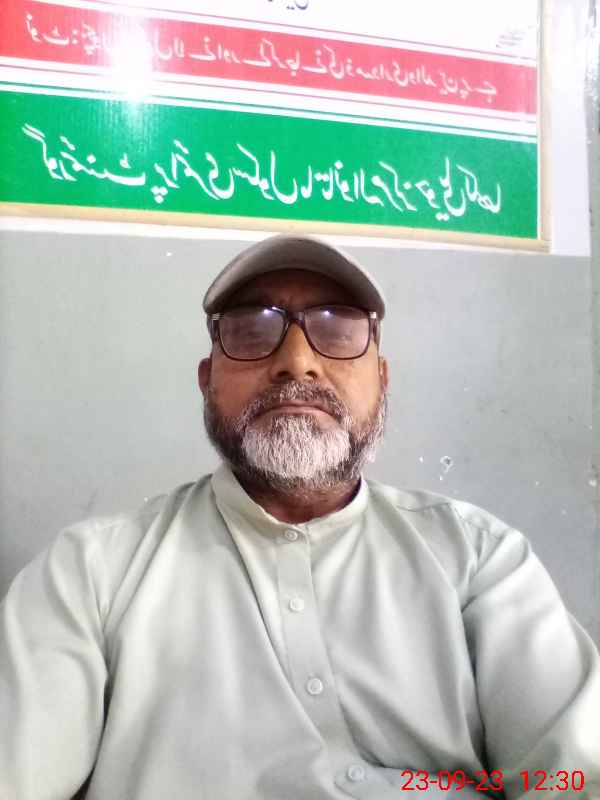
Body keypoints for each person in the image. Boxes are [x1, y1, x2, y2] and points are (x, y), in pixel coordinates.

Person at [0, 234, 598, 800]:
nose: (297, 361)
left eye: (337, 330)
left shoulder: (481, 558)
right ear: (208, 382)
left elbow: (572, 778)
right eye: (250, 331)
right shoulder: (89, 574)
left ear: (381, 381)